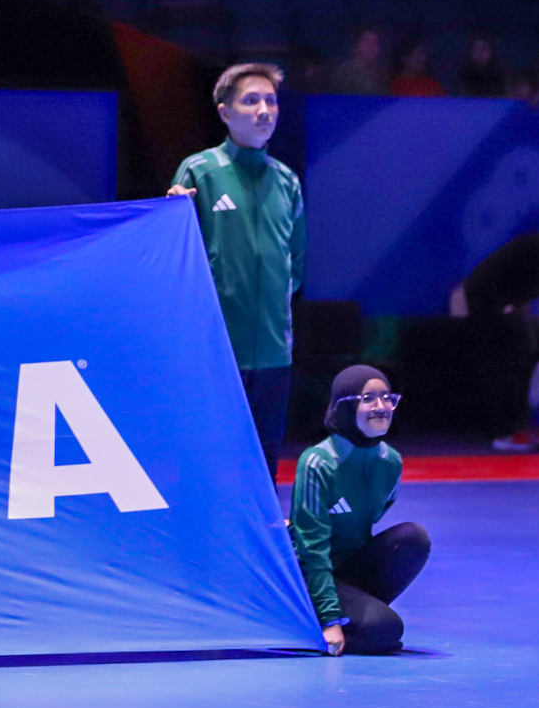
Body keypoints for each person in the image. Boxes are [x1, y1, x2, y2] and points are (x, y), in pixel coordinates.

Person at [168, 63, 305, 482]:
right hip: (214, 350)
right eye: (251, 100)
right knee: (209, 464)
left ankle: (257, 545)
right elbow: (175, 259)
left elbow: (294, 267)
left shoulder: (287, 182)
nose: (265, 110)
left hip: (273, 355)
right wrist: (170, 213)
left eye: (271, 100)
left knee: (263, 468)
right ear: (225, 112)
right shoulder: (199, 172)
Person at [290, 365, 429, 655]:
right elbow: (312, 551)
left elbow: (375, 514)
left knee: (414, 538)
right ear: (345, 406)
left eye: (387, 397)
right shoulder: (318, 462)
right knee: (387, 630)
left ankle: (355, 615)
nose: (382, 406)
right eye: (368, 398)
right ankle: (314, 623)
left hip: (349, 568)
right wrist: (330, 620)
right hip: (309, 574)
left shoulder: (391, 462)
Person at [452, 232, 539, 451]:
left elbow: (521, 285)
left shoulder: (529, 249)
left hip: (498, 303)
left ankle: (510, 430)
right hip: (486, 305)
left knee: (520, 357)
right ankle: (506, 432)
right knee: (509, 363)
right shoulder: (531, 246)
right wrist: (508, 307)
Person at [329, 26, 386, 96]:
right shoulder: (346, 70)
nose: (371, 46)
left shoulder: (380, 71)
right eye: (366, 42)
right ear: (356, 46)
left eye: (375, 42)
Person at [459, 31, 508, 98]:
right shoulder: (461, 77)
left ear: (492, 50)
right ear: (470, 52)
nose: (480, 52)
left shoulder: (503, 75)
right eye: (476, 48)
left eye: (484, 48)